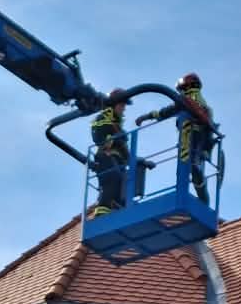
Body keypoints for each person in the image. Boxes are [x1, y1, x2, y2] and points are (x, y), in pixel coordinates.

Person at [139, 73, 216, 203]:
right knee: (194, 166)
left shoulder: (185, 100)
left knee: (187, 166)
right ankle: (204, 197)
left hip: (189, 136)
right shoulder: (205, 105)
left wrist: (146, 117)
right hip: (202, 139)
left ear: (185, 87)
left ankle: (194, 195)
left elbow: (164, 112)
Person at [86, 94, 131, 220]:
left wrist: (133, 159)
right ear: (113, 105)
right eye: (121, 105)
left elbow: (122, 144)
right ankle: (101, 213)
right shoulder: (103, 118)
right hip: (106, 155)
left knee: (121, 184)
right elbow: (99, 133)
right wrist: (116, 134)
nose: (123, 109)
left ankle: (115, 209)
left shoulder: (117, 124)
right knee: (111, 180)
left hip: (118, 159)